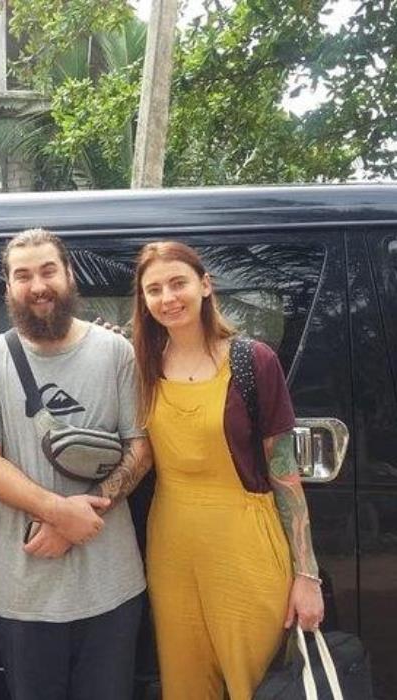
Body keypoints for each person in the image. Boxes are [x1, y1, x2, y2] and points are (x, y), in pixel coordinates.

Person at [131, 241, 324, 699]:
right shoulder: (141, 366)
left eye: (178, 283)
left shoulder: (252, 361)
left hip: (246, 545)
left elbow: (285, 475)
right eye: (154, 289)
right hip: (171, 548)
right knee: (185, 682)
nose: (167, 298)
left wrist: (306, 575)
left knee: (253, 682)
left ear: (204, 285)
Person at [0, 228, 152, 700]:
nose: (38, 286)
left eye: (48, 270)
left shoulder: (116, 352)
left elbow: (141, 447)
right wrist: (58, 512)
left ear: (69, 274)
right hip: (25, 593)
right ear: (8, 287)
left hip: (112, 587)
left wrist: (83, 516)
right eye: (23, 275)